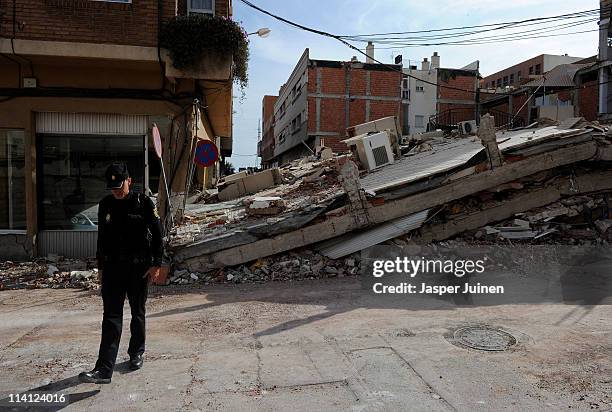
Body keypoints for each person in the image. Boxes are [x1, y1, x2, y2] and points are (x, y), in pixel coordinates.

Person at [79, 162, 163, 384]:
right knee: (111, 318)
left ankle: (136, 352)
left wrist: (157, 263)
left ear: (129, 181)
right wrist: (101, 267)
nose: (115, 191)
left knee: (137, 313)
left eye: (119, 186)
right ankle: (103, 370)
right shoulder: (105, 204)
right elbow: (102, 239)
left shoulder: (144, 203)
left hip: (139, 268)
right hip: (113, 269)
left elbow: (157, 234)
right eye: (112, 187)